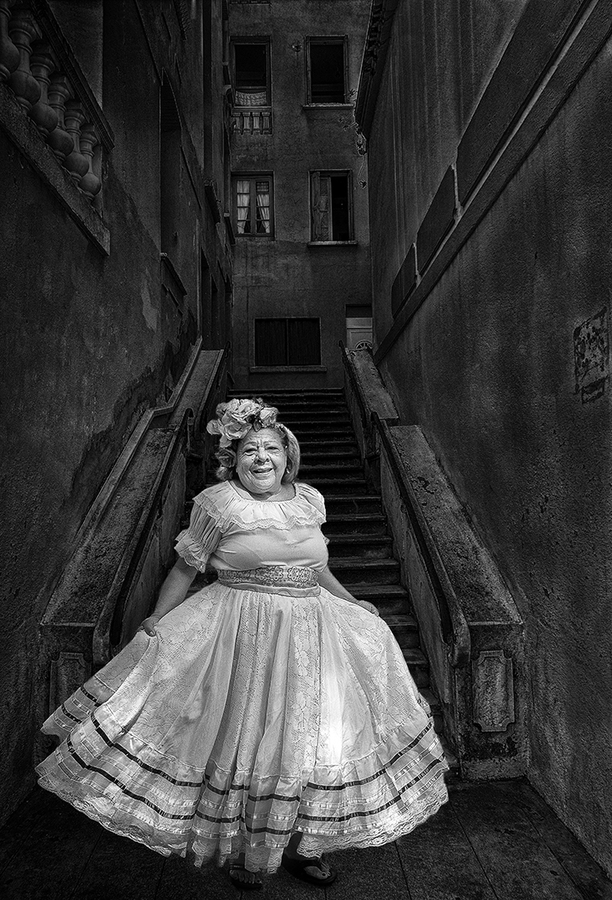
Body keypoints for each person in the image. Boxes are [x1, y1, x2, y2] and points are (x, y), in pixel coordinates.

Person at [36, 397, 448, 890]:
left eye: (271, 448)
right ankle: (244, 852)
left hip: (312, 635)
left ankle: (300, 846)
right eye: (250, 450)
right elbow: (185, 567)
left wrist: (353, 602)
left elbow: (316, 568)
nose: (261, 458)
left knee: (311, 740)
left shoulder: (309, 499)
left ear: (287, 456)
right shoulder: (218, 503)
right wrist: (159, 617)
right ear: (232, 459)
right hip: (242, 633)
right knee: (247, 742)